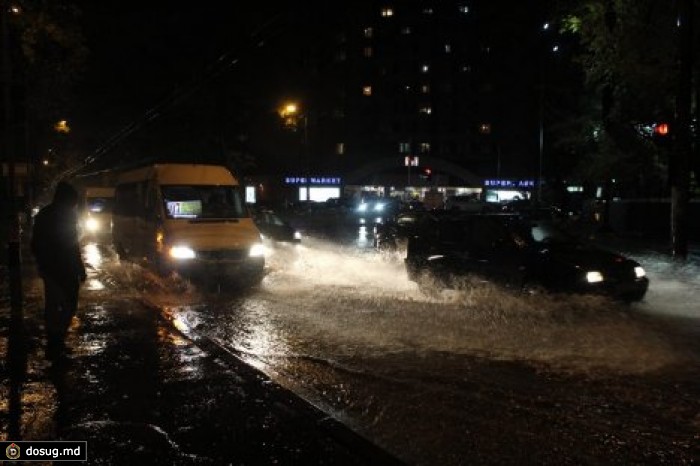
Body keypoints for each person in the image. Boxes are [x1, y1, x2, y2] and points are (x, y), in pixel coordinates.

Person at [31, 181, 87, 354]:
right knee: (67, 304)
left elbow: (35, 244)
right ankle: (56, 340)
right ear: (67, 200)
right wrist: (79, 268)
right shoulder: (66, 216)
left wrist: (42, 264)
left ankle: (54, 339)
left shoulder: (44, 215)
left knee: (55, 305)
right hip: (63, 269)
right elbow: (72, 246)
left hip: (51, 269)